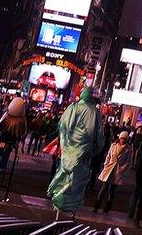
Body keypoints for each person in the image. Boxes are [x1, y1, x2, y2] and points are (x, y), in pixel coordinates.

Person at [47, 87, 105, 219]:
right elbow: (99, 135)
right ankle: (72, 212)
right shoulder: (95, 112)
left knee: (64, 174)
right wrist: (96, 150)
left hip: (69, 149)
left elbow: (62, 125)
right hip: (84, 152)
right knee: (78, 181)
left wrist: (65, 142)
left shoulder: (72, 108)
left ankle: (58, 207)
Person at [93, 131, 131, 213]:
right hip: (109, 168)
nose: (123, 140)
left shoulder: (128, 149)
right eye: (122, 138)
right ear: (119, 138)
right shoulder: (113, 145)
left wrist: (122, 169)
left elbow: (128, 162)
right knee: (103, 189)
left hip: (117, 170)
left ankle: (107, 208)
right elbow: (108, 155)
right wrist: (106, 164)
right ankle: (96, 206)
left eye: (124, 138)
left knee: (111, 191)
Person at [0, 97, 28, 171]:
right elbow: (22, 132)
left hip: (2, 139)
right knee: (6, 154)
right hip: (11, 142)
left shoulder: (6, 118)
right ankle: (2, 167)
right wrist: (18, 140)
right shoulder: (22, 121)